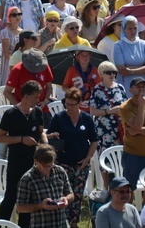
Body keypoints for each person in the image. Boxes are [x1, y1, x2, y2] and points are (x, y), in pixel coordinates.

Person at [0, 80, 48, 226]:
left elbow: (40, 131)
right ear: (25, 96)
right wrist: (21, 139)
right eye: (35, 97)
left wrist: (45, 143)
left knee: (29, 199)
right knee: (11, 197)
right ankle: (1, 225)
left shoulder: (37, 112)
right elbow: (0, 138)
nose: (38, 100)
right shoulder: (10, 114)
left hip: (33, 163)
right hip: (16, 162)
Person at [46, 87, 97, 228]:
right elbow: (48, 138)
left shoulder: (86, 118)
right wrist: (52, 137)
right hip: (63, 163)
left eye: (72, 104)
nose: (69, 107)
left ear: (79, 103)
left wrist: (88, 158)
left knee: (78, 195)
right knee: (63, 194)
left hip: (81, 163)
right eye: (67, 104)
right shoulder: (59, 118)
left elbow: (94, 140)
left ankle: (74, 223)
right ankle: (62, 222)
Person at [118, 76, 145, 195]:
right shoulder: (125, 107)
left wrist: (138, 131)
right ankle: (129, 212)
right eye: (138, 87)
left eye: (144, 87)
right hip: (132, 154)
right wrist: (142, 106)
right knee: (129, 189)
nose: (141, 89)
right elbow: (137, 124)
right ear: (131, 89)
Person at [15, 143, 74, 228]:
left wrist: (66, 199)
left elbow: (71, 194)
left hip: (62, 224)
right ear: (36, 161)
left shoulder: (60, 171)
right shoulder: (27, 179)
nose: (48, 169)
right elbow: (20, 207)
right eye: (45, 166)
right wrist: (40, 205)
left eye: (50, 165)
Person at [114, 16, 145, 97]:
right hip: (126, 85)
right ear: (124, 29)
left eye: (135, 28)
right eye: (130, 28)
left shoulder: (144, 44)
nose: (133, 31)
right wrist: (142, 68)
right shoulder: (118, 45)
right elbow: (122, 70)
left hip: (144, 85)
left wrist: (131, 71)